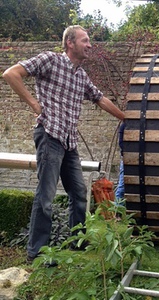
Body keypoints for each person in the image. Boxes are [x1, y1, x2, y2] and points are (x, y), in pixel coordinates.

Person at [2, 25, 125, 263]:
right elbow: (11, 74)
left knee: (79, 193)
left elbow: (100, 99)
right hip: (49, 135)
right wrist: (34, 104)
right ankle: (37, 252)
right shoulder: (50, 60)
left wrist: (125, 118)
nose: (90, 45)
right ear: (70, 43)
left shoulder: (81, 76)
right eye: (85, 40)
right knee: (46, 195)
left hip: (69, 142)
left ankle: (77, 243)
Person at [114, 122, 125, 218]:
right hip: (126, 159)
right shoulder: (124, 126)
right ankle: (118, 213)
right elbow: (121, 144)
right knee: (122, 186)